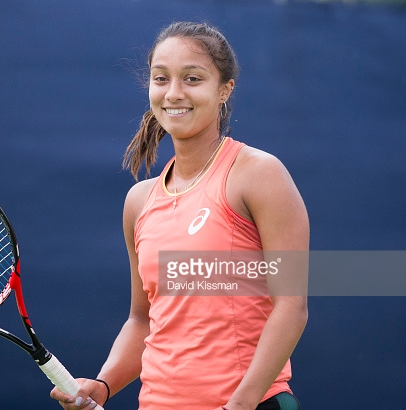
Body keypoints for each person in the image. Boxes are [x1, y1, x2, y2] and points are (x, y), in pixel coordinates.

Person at [51, 21, 309, 410]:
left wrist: (241, 403)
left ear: (224, 90)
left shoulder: (259, 174)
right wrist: (103, 385)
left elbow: (291, 306)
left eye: (192, 79)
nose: (174, 93)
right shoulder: (139, 201)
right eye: (161, 78)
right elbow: (143, 320)